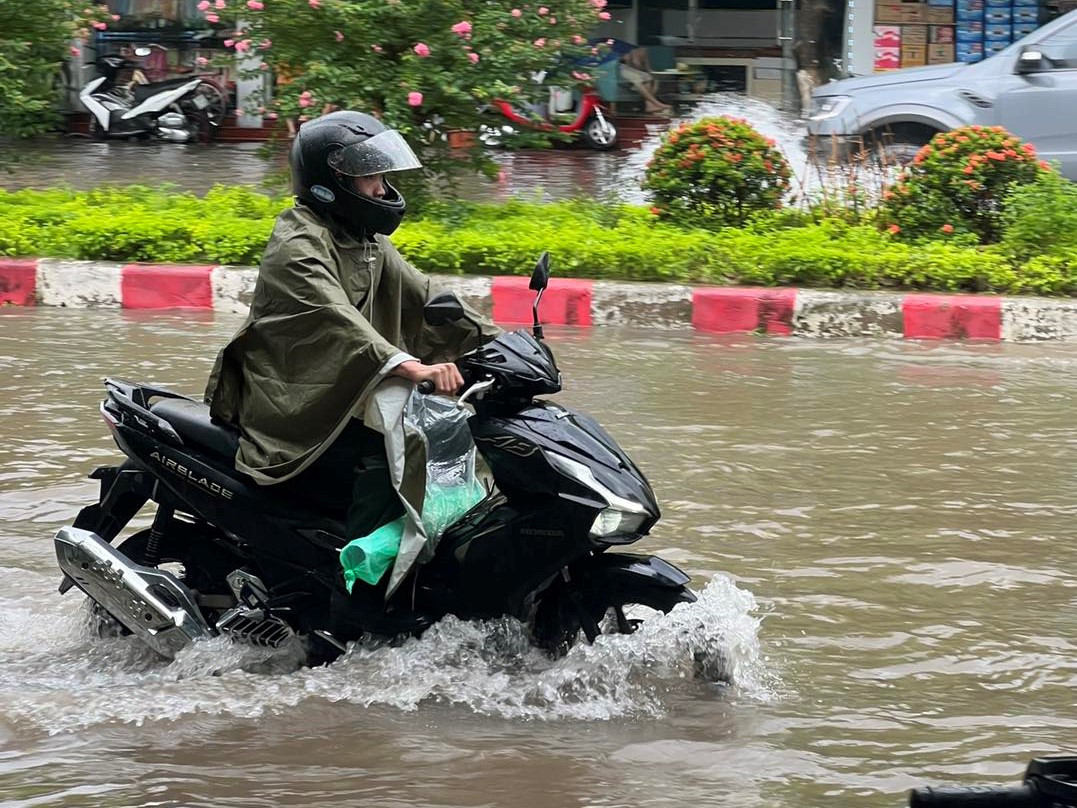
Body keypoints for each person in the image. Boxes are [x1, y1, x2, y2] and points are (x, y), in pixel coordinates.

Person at [204, 110, 500, 550]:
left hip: (342, 389)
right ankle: (360, 583)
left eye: (381, 174)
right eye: (371, 178)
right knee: (391, 455)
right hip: (292, 401)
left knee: (439, 432)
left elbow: (424, 296)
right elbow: (334, 319)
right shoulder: (299, 242)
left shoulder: (365, 239)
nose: (381, 188)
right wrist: (409, 366)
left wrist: (500, 346)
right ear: (331, 181)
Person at [619, 47, 672, 115]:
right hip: (623, 68)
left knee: (648, 77)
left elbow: (648, 69)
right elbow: (634, 64)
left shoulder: (646, 52)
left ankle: (649, 104)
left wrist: (654, 78)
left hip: (635, 70)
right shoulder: (632, 52)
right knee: (637, 79)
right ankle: (657, 104)